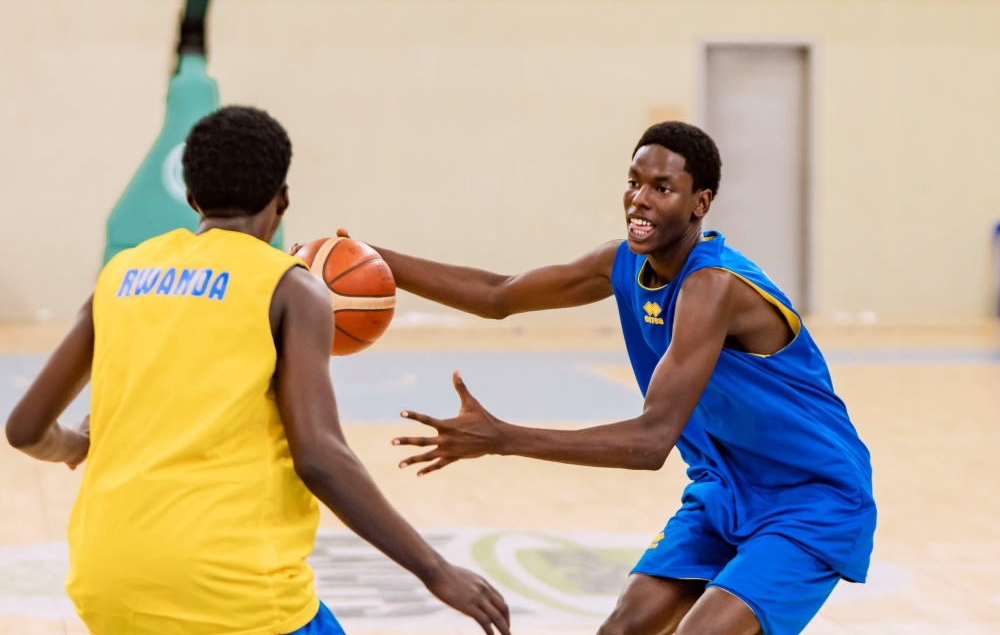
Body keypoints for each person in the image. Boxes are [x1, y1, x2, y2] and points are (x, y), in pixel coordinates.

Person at [354, 121, 876, 635]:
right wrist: (369, 260)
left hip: (811, 498)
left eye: (662, 188)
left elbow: (651, 442)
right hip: (725, 488)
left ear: (701, 203)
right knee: (621, 629)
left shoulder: (714, 285)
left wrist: (504, 438)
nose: (639, 200)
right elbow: (499, 294)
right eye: (634, 182)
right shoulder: (621, 262)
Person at [5, 106, 510, 635]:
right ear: (283, 198)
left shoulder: (120, 275)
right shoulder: (289, 287)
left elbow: (24, 430)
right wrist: (435, 570)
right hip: (230, 592)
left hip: (105, 585)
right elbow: (320, 459)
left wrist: (77, 444)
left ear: (192, 197)